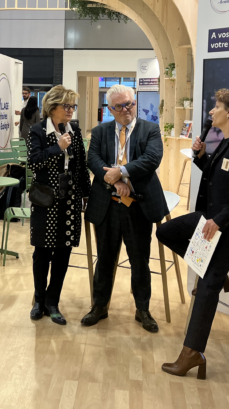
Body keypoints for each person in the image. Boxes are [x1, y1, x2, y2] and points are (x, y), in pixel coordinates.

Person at [156, 89, 229, 380]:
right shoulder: (227, 141)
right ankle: (209, 269)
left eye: (216, 107)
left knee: (206, 288)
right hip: (213, 218)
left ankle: (192, 353)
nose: (211, 112)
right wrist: (202, 157)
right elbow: (218, 178)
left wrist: (220, 220)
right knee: (166, 232)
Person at [82, 84, 165, 333]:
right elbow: (93, 159)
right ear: (110, 109)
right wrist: (115, 181)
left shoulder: (150, 129)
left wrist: (122, 171)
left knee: (140, 260)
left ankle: (143, 309)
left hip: (138, 206)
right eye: (119, 106)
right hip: (107, 205)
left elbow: (151, 159)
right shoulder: (100, 131)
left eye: (129, 104)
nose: (126, 109)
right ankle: (99, 306)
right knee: (105, 258)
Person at [27, 85, 91, 324]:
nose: (71, 110)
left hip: (70, 199)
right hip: (45, 199)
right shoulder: (37, 131)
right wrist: (57, 148)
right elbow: (34, 163)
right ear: (52, 107)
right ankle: (38, 300)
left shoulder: (74, 129)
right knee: (42, 253)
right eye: (67, 106)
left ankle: (52, 302)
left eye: (73, 106)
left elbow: (81, 165)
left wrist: (87, 194)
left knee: (63, 252)